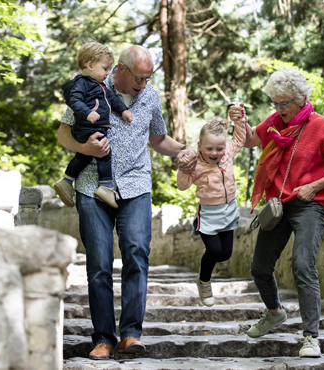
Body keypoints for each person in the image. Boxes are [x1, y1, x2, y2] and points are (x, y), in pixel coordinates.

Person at [56, 45, 197, 360]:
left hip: (136, 186)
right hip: (93, 186)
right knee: (99, 263)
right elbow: (63, 134)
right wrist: (86, 148)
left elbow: (158, 139)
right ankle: (104, 338)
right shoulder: (89, 85)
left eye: (148, 78)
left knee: (136, 255)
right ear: (120, 69)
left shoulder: (151, 96)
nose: (143, 84)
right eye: (139, 78)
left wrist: (184, 149)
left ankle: (131, 334)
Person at [236, 68, 324, 358]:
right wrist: (240, 122)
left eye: (284, 103)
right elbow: (252, 139)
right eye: (274, 103)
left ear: (301, 99)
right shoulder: (276, 123)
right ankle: (275, 312)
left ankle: (311, 337)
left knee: (303, 265)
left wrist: (314, 186)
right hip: (277, 205)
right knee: (259, 268)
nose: (278, 109)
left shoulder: (321, 126)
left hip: (310, 203)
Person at [176, 108, 247, 306]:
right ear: (199, 146)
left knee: (226, 254)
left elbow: (240, 138)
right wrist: (183, 169)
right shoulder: (195, 164)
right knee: (214, 250)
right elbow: (182, 186)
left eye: (219, 148)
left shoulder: (228, 154)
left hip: (229, 211)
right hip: (208, 214)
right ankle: (204, 281)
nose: (214, 153)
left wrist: (239, 119)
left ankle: (206, 277)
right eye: (209, 149)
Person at [54, 42, 134, 209]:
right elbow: (74, 100)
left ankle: (67, 181)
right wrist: (87, 113)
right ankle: (106, 187)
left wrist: (124, 111)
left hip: (94, 127)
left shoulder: (100, 86)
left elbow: (111, 99)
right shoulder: (81, 83)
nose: (107, 73)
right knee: (104, 154)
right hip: (87, 127)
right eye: (105, 68)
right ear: (90, 65)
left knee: (84, 157)